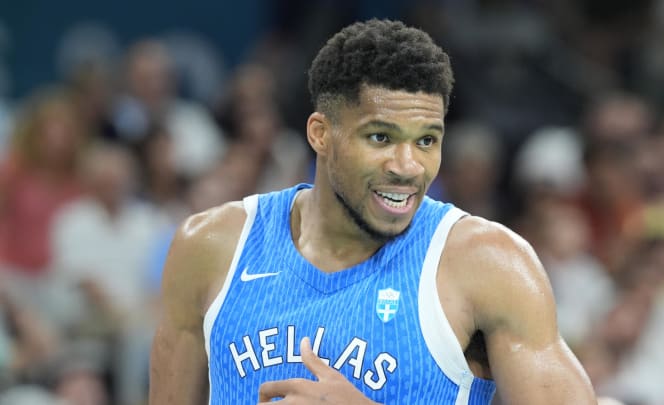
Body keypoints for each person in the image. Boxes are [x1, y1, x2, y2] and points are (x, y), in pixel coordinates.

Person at [149, 19, 596, 404]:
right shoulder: (211, 247)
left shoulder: (486, 262)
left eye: (426, 140)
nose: (407, 167)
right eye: (380, 138)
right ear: (321, 134)